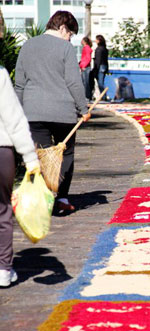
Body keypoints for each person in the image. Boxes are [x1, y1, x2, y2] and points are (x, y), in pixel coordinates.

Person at [15, 10, 91, 213]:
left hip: (33, 112)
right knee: (66, 154)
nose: (70, 38)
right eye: (70, 34)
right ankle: (62, 199)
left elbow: (19, 84)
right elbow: (73, 82)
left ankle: (42, 197)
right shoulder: (65, 49)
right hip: (63, 113)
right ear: (62, 27)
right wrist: (83, 109)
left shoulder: (27, 45)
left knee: (41, 155)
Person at [0, 67, 40, 287]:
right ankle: (3, 269)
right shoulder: (0, 75)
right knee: (2, 211)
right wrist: (30, 157)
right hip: (1, 151)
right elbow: (14, 120)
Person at [92, 34, 109, 99]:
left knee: (100, 83)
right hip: (104, 66)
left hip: (100, 66)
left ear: (99, 41)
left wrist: (96, 68)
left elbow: (98, 59)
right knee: (101, 81)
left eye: (96, 40)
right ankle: (103, 96)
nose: (95, 41)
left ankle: (103, 96)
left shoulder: (99, 49)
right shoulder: (104, 48)